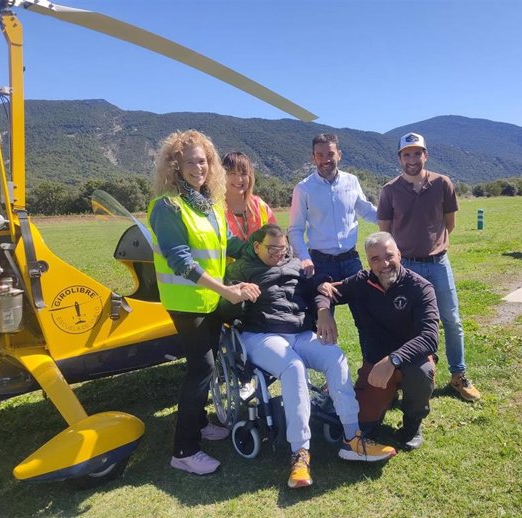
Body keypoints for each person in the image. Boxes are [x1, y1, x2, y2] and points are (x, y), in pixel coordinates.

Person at [219, 224, 396, 489]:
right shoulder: (238, 271)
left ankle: (353, 437)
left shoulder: (295, 265)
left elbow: (317, 283)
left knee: (335, 356)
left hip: (300, 332)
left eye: (283, 248)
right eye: (272, 249)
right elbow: (223, 309)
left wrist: (323, 294)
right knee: (294, 368)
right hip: (261, 335)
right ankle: (300, 453)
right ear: (256, 247)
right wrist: (237, 296)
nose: (279, 254)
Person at [148, 130, 260, 475]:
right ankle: (183, 450)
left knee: (204, 368)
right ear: (174, 164)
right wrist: (228, 290)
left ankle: (198, 425)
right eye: (190, 161)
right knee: (202, 369)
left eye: (204, 160)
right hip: (186, 302)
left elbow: (229, 243)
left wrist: (268, 246)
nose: (199, 167)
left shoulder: (208, 204)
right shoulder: (167, 207)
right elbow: (182, 261)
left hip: (208, 299)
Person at [377, 132, 480, 402]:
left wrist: (434, 246)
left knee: (452, 320)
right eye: (406, 154)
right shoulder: (389, 190)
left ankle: (458, 375)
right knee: (403, 325)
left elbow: (450, 223)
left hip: (437, 264)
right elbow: (385, 234)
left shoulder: (442, 184)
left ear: (426, 155)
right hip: (405, 268)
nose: (412, 159)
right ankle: (404, 378)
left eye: (417, 153)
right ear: (400, 158)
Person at [316, 232, 439, 450]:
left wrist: (393, 359)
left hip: (410, 362)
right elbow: (327, 291)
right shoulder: (361, 282)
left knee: (422, 372)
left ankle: (412, 423)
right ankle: (386, 396)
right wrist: (324, 311)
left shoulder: (420, 287)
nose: (384, 264)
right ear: (368, 262)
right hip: (374, 366)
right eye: (375, 259)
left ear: (400, 255)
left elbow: (429, 337)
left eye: (389, 256)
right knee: (363, 422)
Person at [288, 133, 377, 281]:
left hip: (351, 261)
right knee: (323, 305)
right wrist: (304, 257)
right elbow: (295, 229)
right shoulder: (303, 189)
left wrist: (395, 218)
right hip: (319, 264)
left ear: (339, 155)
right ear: (313, 157)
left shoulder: (351, 181)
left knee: (365, 304)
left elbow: (367, 211)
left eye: (330, 154)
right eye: (320, 155)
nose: (326, 160)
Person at [222, 151, 277, 240]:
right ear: (222, 175)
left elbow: (276, 238)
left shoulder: (260, 206)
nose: (239, 179)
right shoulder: (214, 209)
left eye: (244, 174)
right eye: (232, 173)